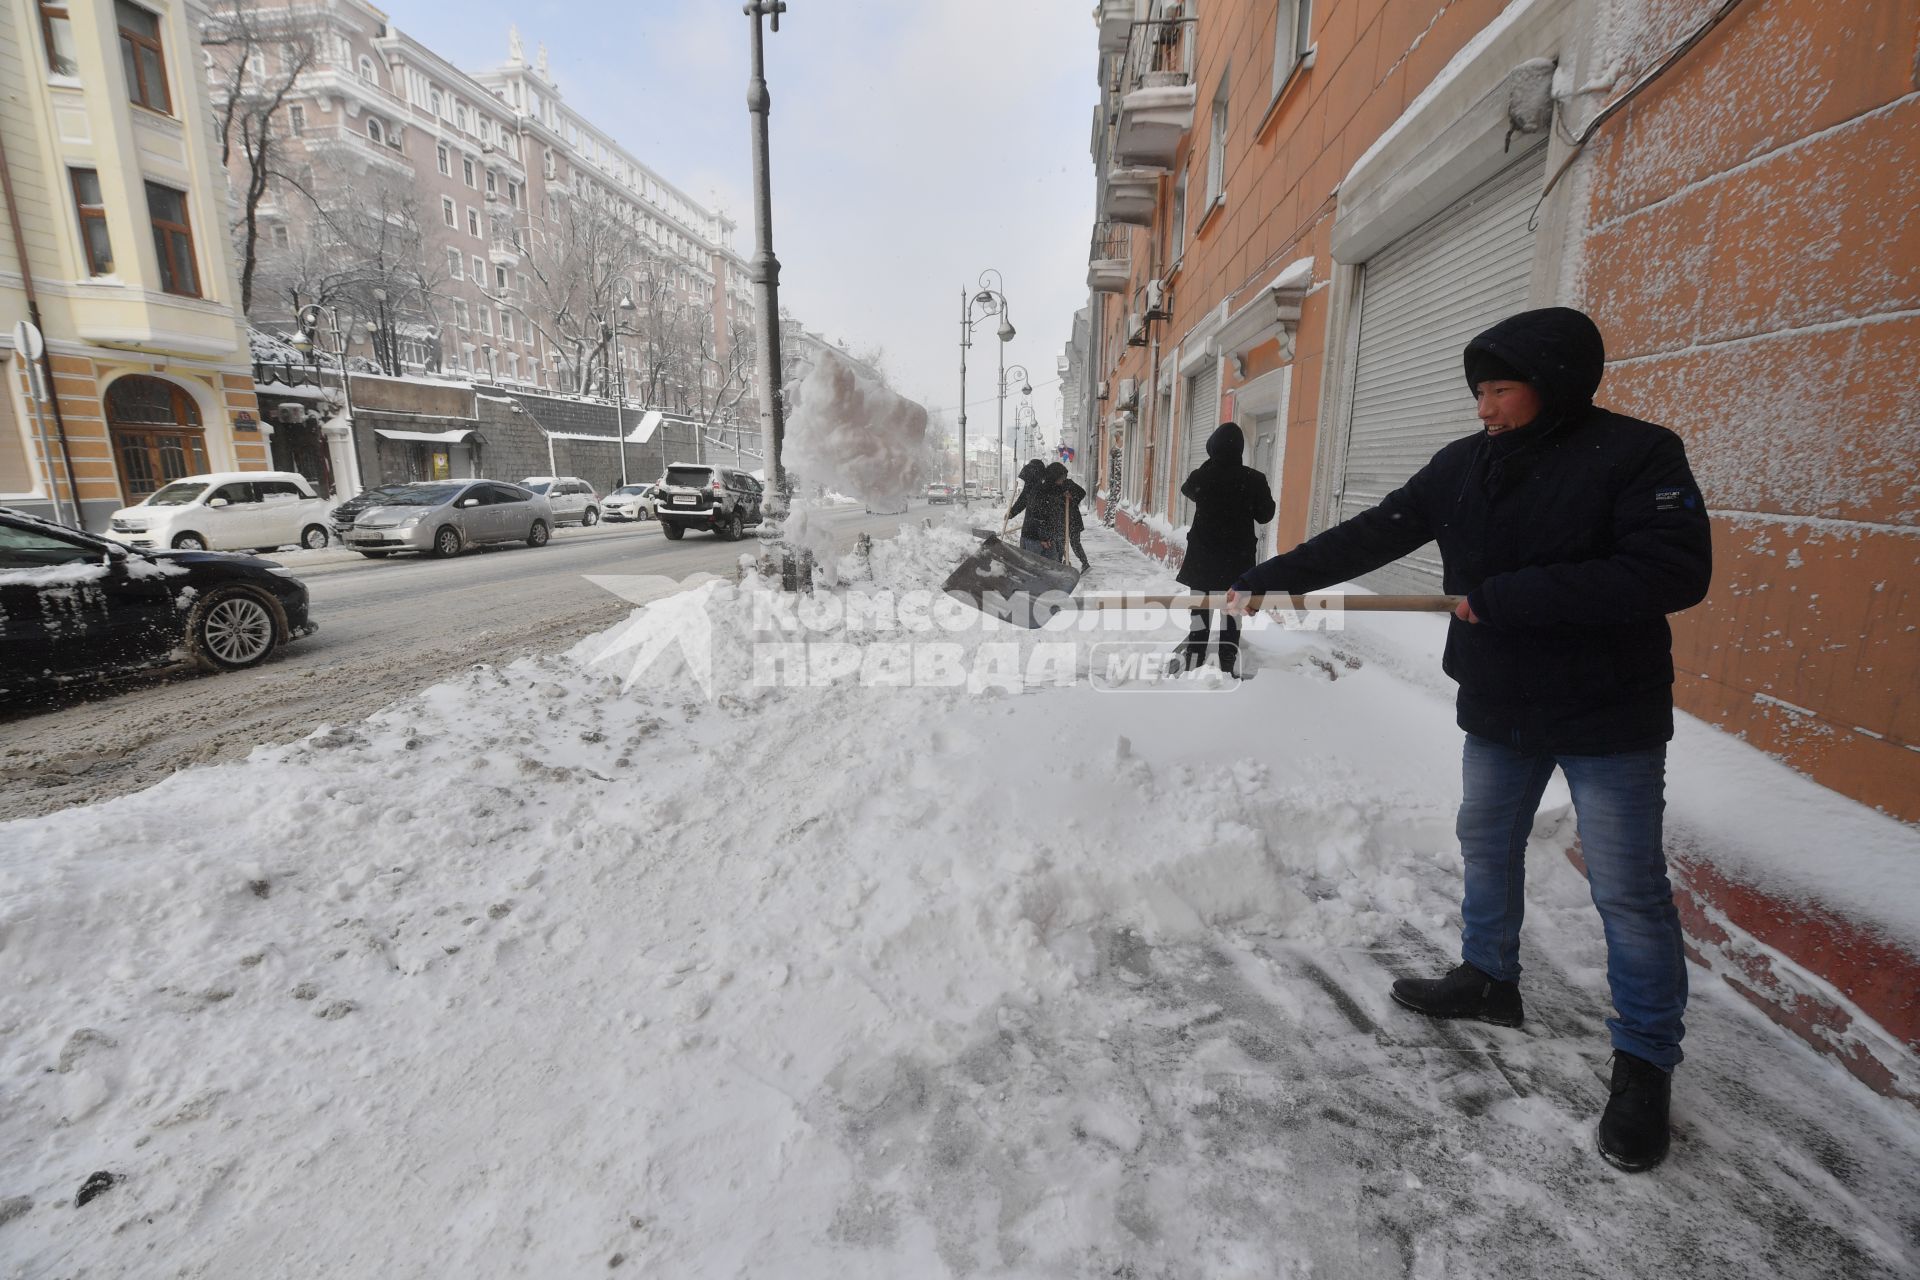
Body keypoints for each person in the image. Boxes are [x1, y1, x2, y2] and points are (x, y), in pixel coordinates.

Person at [1227, 307, 1711, 1173]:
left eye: (1501, 389)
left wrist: (1509, 597)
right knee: (1485, 843)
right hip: (1501, 702)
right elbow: (1377, 529)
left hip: (1609, 710)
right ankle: (1488, 979)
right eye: (1479, 391)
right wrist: (1270, 578)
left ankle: (1644, 1062)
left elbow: (1672, 571)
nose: (1484, 407)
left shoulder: (1639, 454)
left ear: (1554, 382)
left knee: (1630, 891)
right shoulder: (1465, 466)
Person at [1171, 422, 1275, 676]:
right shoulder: (1254, 479)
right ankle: (1227, 663)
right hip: (1236, 562)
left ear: (1212, 448)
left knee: (1200, 614)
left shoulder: (1202, 477)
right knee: (1232, 614)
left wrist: (1210, 466)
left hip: (1203, 560)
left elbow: (1188, 490)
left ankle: (1195, 660)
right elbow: (1266, 515)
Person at [1037, 461, 1090, 571]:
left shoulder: (1068, 483)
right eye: (1060, 478)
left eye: (1063, 477)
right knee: (1059, 543)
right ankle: (1060, 565)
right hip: (1059, 520)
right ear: (1054, 477)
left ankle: (1085, 563)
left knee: (1075, 542)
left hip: (1073, 518)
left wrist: (1072, 497)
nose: (1062, 480)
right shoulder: (1049, 487)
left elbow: (1082, 493)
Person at [1005, 459, 1049, 556]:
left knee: (1031, 563)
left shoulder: (1040, 491)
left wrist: (1043, 538)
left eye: (1027, 477)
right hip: (1027, 533)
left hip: (1034, 536)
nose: (1025, 480)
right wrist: (1012, 512)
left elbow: (1040, 517)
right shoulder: (1030, 487)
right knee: (1026, 561)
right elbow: (1022, 501)